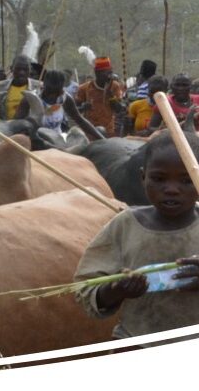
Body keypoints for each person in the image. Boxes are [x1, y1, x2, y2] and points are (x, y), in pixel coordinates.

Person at [73, 131, 199, 348]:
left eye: (187, 180)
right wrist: (116, 290)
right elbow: (86, 288)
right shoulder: (125, 225)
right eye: (159, 179)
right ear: (143, 177)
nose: (171, 189)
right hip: (135, 339)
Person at [76, 56, 125, 138]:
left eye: (110, 72)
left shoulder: (114, 86)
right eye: (107, 73)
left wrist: (110, 94)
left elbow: (118, 109)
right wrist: (83, 108)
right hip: (90, 131)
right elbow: (75, 109)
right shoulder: (84, 88)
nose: (109, 76)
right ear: (97, 73)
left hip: (109, 131)